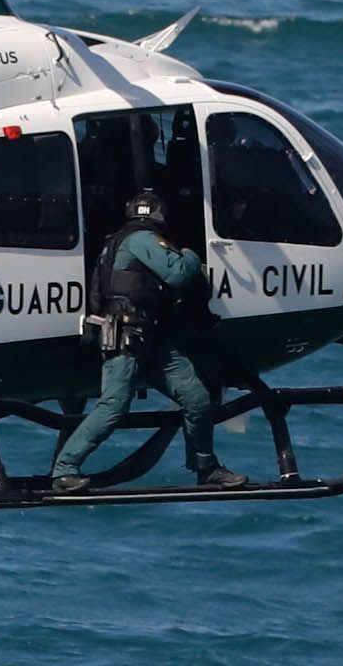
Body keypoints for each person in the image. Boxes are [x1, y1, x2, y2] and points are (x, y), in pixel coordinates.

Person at [52, 185, 241, 491]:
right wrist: (193, 254)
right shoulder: (142, 240)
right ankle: (65, 469)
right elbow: (178, 273)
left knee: (195, 398)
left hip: (152, 337)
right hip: (128, 337)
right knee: (114, 405)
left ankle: (206, 467)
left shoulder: (117, 242)